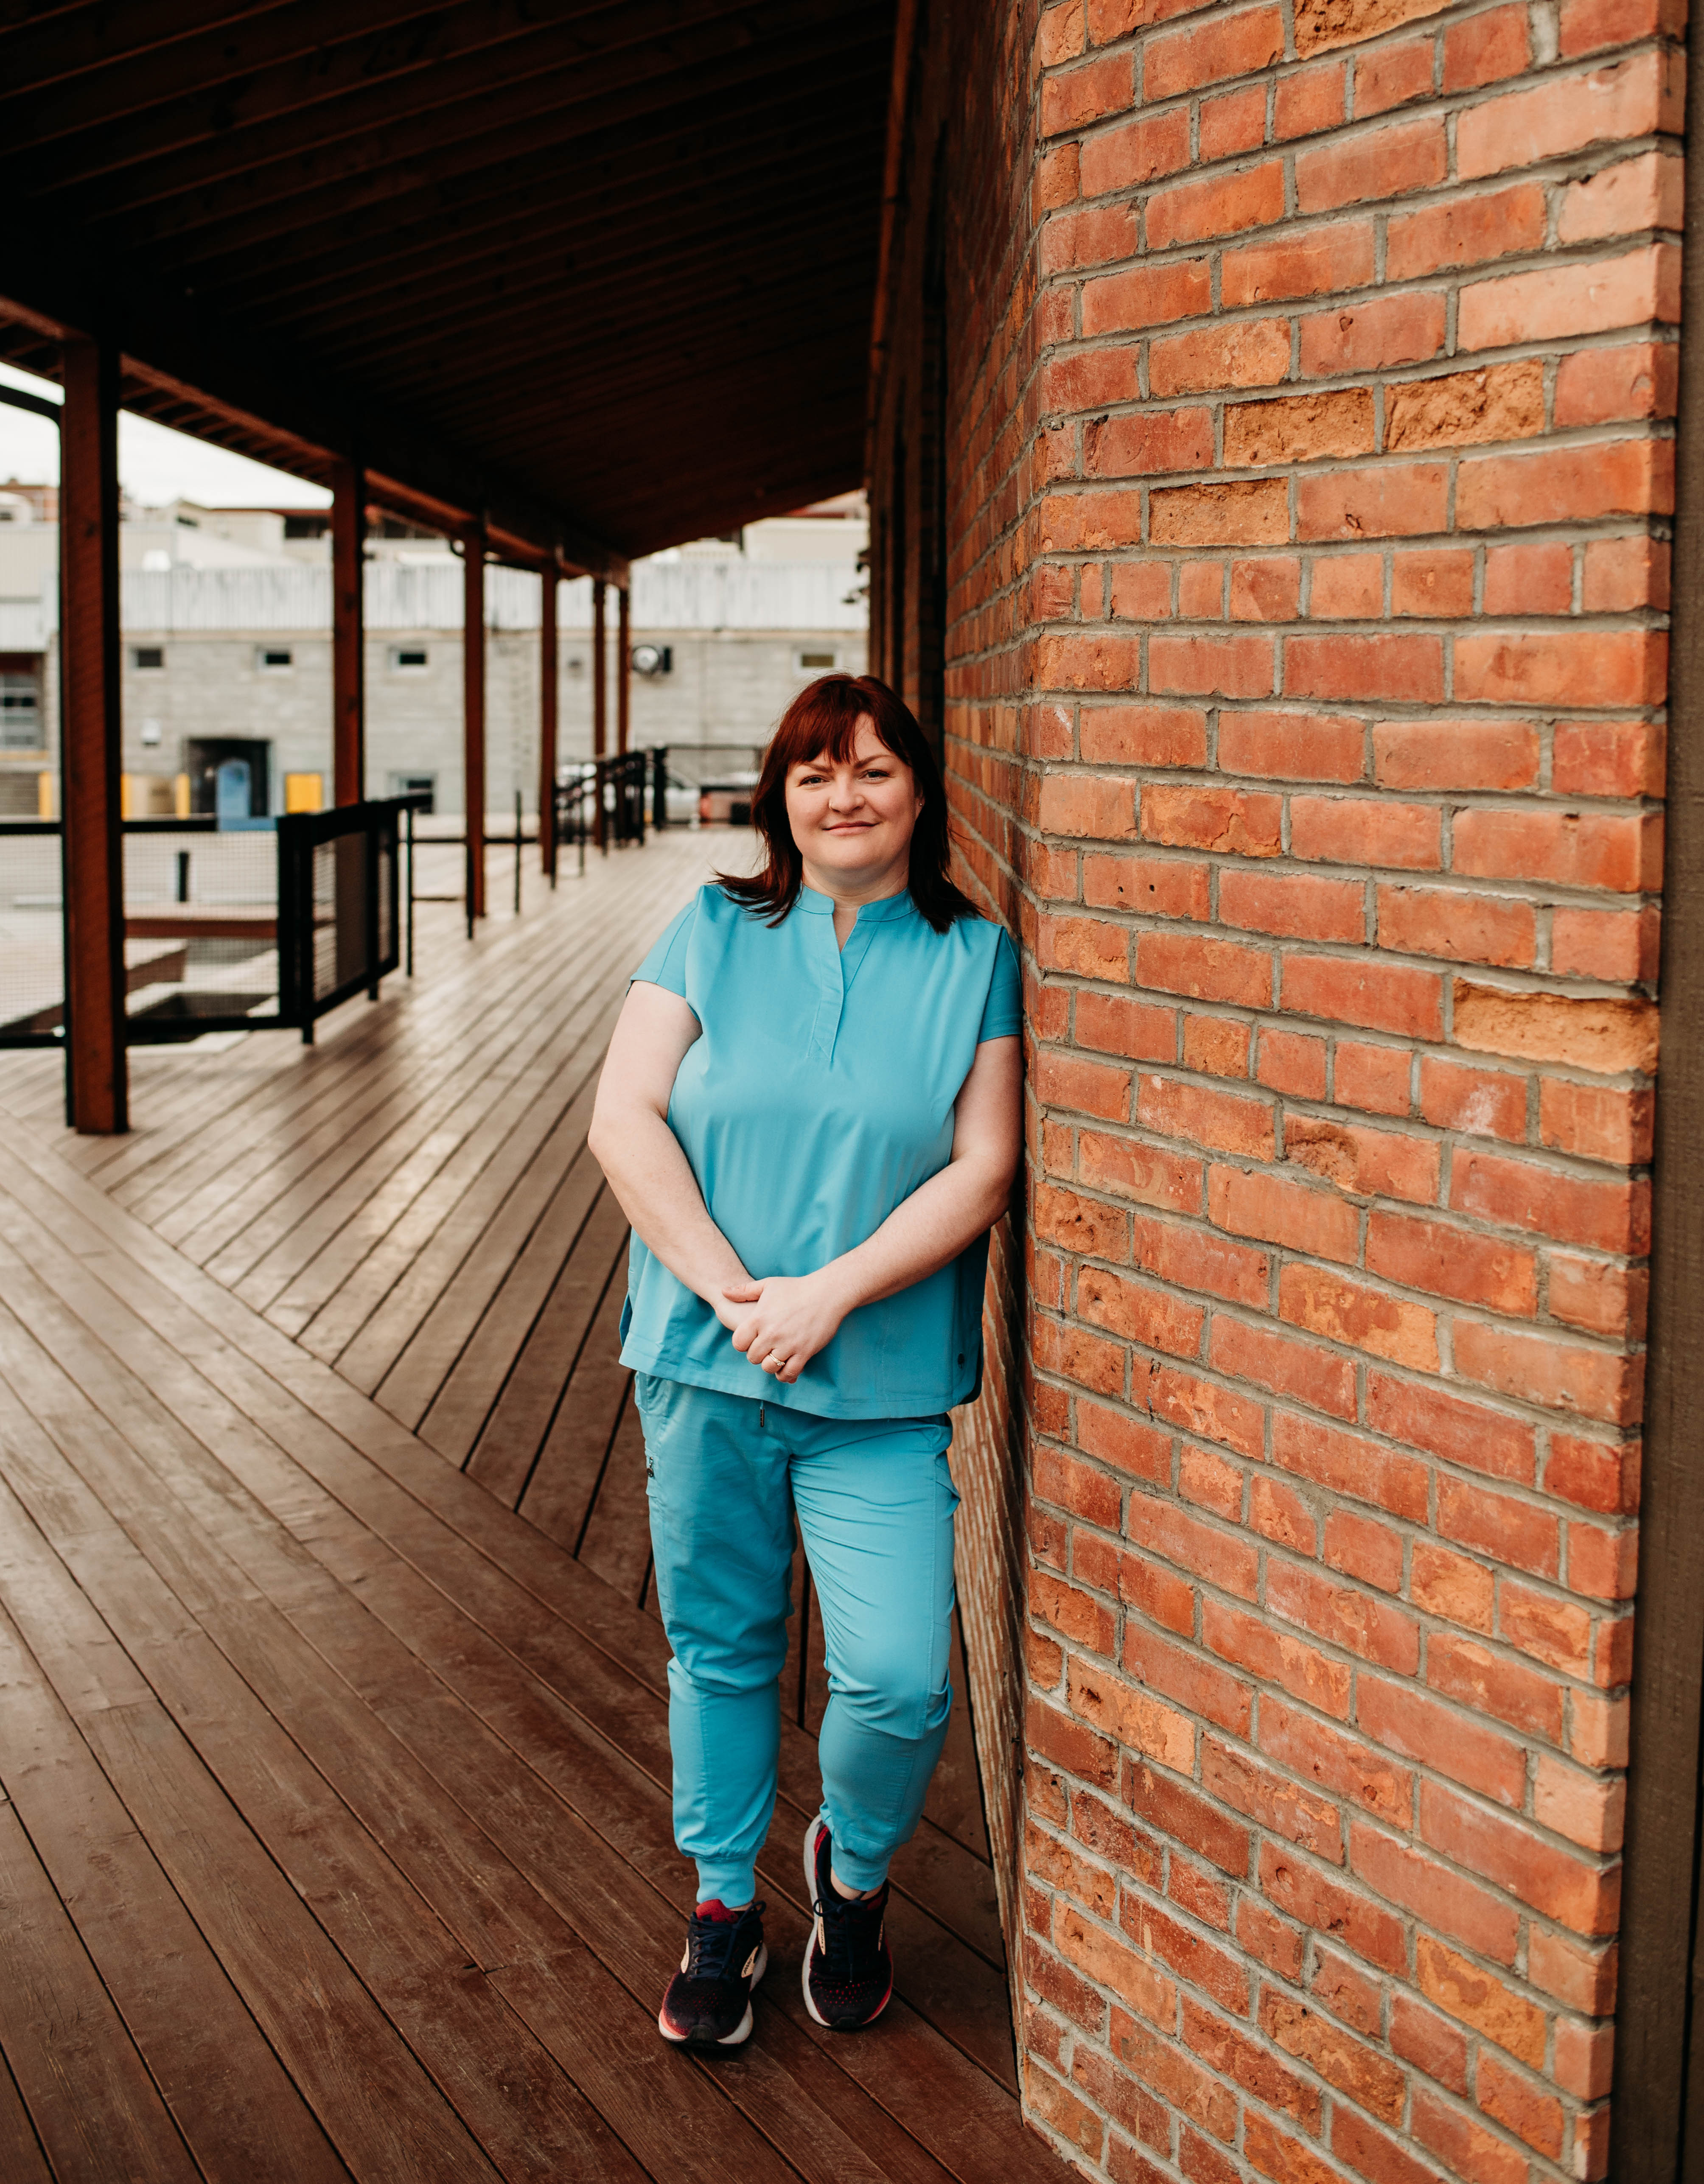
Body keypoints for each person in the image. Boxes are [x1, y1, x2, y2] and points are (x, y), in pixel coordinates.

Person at [588, 673, 1021, 2052]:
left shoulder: (976, 957)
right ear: (781, 795)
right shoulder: (714, 928)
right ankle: (723, 1908)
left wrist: (826, 1295)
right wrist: (731, 1287)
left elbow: (987, 1163)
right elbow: (625, 1114)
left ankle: (851, 1878)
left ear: (920, 791)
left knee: (898, 1674)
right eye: (817, 771)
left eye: (876, 769)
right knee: (721, 1650)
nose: (847, 794)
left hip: (879, 1386)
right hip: (706, 1366)